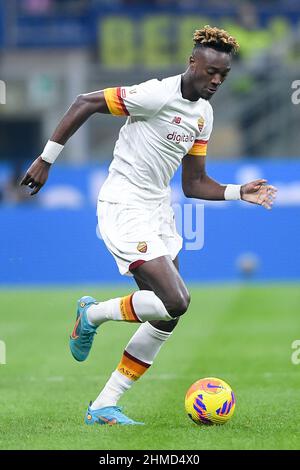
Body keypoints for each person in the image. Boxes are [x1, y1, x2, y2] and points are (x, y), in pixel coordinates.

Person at [21, 26, 277, 426]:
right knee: (177, 299)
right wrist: (46, 158)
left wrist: (237, 191)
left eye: (223, 76)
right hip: (125, 205)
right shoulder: (156, 94)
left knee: (166, 314)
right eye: (210, 71)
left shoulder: (203, 115)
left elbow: (194, 184)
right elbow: (84, 101)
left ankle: (103, 405)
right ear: (192, 63)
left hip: (160, 209)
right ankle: (91, 316)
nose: (215, 81)